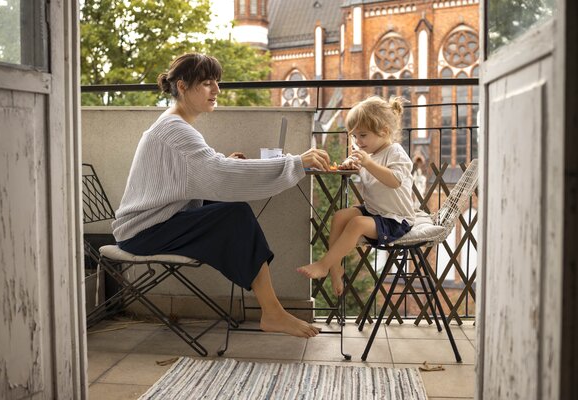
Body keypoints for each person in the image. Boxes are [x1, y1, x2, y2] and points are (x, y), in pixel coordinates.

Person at [112, 53, 331, 338]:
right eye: (206, 83)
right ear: (182, 86)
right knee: (235, 214)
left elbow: (199, 171)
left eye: (217, 82)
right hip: (142, 231)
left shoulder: (173, 125)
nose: (216, 90)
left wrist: (222, 164)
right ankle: (273, 312)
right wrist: (296, 162)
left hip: (153, 224)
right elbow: (216, 173)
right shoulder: (174, 129)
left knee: (232, 209)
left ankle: (272, 310)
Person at [297, 96, 415, 297]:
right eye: (354, 137)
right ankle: (336, 268)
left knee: (357, 224)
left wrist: (368, 164)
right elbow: (358, 165)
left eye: (363, 135)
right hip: (375, 210)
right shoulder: (366, 152)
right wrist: (350, 165)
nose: (357, 142)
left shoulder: (395, 152)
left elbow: (395, 181)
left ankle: (325, 264)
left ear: (384, 132)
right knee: (340, 216)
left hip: (395, 218)